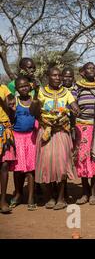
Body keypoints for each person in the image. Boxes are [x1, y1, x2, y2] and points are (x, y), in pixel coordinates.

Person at [30, 66, 79, 210]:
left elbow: (74, 107)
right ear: (48, 77)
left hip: (62, 132)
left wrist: (76, 110)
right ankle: (50, 196)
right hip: (46, 132)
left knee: (62, 166)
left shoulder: (66, 92)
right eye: (54, 75)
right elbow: (33, 112)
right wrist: (35, 98)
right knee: (45, 165)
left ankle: (61, 198)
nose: (58, 78)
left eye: (59, 76)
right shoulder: (41, 92)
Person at [72, 62, 95, 205]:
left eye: (94, 68)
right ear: (83, 72)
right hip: (82, 127)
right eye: (89, 68)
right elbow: (71, 101)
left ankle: (93, 192)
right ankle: (85, 192)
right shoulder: (77, 86)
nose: (92, 70)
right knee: (82, 159)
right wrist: (74, 107)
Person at [8, 77, 38, 211]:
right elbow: (11, 120)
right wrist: (12, 110)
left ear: (29, 86)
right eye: (21, 87)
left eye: (26, 85)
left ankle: (31, 197)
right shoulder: (15, 102)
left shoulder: (33, 100)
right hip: (18, 138)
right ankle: (18, 193)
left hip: (31, 137)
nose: (24, 88)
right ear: (17, 89)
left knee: (31, 170)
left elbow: (38, 115)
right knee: (18, 170)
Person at [0, 83, 15, 213]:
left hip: (3, 128)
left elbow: (10, 110)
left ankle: (3, 199)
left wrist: (1, 100)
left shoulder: (4, 89)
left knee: (4, 165)